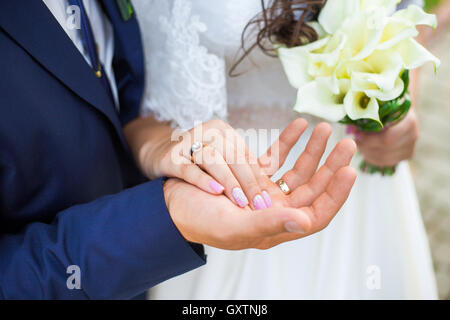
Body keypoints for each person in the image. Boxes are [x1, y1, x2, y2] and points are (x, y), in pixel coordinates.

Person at [0, 0, 356, 299]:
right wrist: (166, 214)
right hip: (161, 240)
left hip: (325, 176)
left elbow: (119, 88)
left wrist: (157, 147)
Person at [134, 0, 438, 299]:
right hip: (222, 182)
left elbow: (407, 11)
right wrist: (158, 144)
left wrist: (399, 104)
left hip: (348, 167)